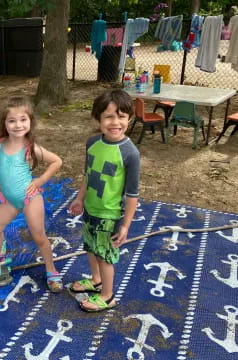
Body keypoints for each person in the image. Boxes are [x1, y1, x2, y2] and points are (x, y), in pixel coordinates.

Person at [0, 96, 64, 293]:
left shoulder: (29, 147)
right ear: (4, 124)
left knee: (39, 236)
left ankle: (51, 270)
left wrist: (39, 181)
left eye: (23, 120)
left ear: (30, 122)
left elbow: (57, 161)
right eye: (12, 120)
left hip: (29, 199)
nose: (18, 125)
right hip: (9, 200)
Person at [68, 89, 140, 312]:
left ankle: (107, 295)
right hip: (91, 208)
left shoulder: (130, 153)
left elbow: (132, 194)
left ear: (129, 118)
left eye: (121, 116)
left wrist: (125, 225)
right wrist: (80, 199)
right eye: (108, 116)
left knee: (105, 254)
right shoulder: (92, 143)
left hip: (109, 215)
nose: (115, 122)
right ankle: (96, 279)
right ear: (98, 118)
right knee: (90, 246)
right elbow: (88, 175)